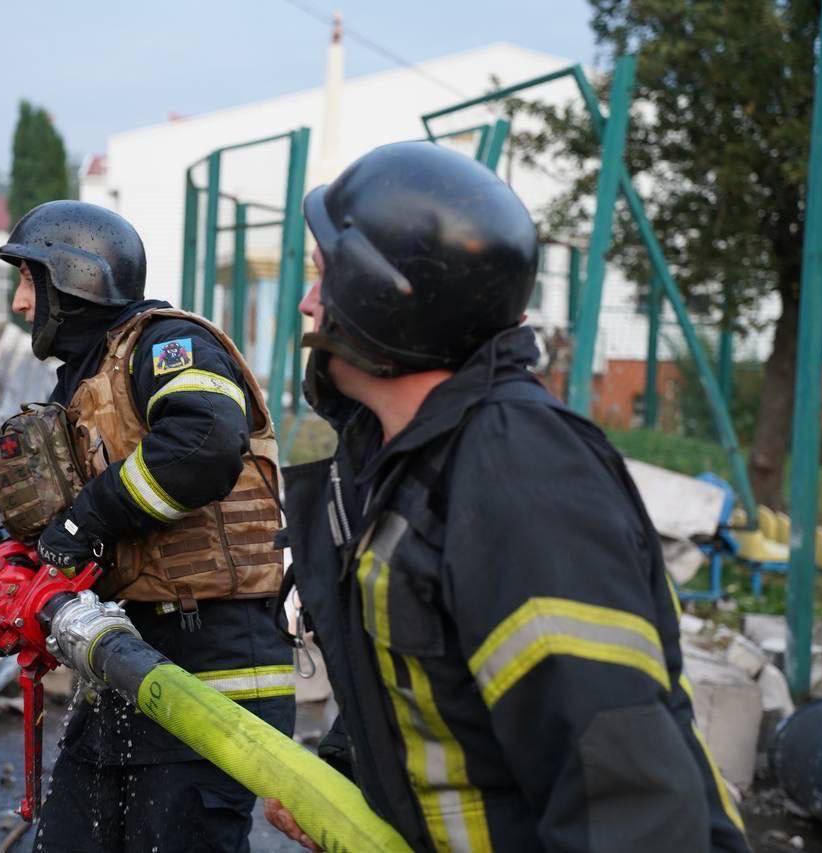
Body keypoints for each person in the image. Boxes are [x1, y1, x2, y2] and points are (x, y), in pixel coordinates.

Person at [264, 142, 750, 853]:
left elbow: (621, 791)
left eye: (323, 276)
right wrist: (348, 773)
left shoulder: (520, 475)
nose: (309, 302)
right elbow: (428, 680)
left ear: (382, 300)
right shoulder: (401, 455)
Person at [0, 200, 294, 853]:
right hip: (123, 673)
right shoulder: (79, 387)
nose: (22, 305)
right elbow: (61, 537)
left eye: (30, 282)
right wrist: (5, 599)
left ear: (74, 280)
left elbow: (203, 441)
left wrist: (88, 518)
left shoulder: (169, 344)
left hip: (210, 671)